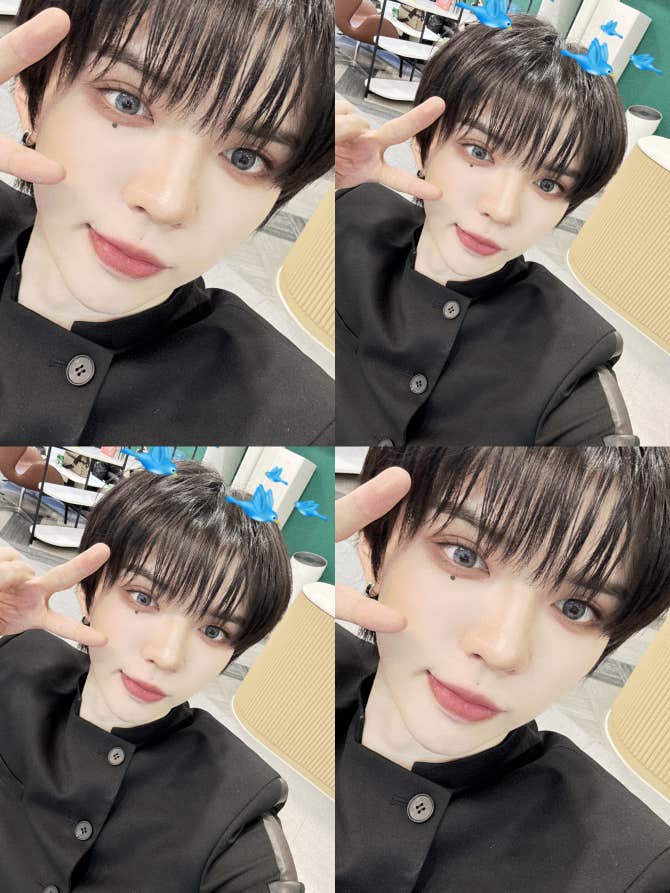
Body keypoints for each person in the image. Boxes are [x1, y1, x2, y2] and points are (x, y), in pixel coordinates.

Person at [335, 447, 670, 892]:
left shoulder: (631, 872)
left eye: (576, 608)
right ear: (373, 544)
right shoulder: (290, 684)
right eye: (464, 555)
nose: (502, 650)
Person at [0, 0, 334, 444]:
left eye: (245, 157)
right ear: (31, 94)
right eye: (127, 101)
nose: (166, 202)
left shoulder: (303, 422)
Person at [0, 461, 306, 892]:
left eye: (213, 631)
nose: (166, 656)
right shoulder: (12, 659)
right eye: (143, 598)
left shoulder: (238, 811)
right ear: (88, 590)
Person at [335, 15, 637, 447]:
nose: (501, 209)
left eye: (548, 184)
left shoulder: (573, 369)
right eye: (479, 151)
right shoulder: (349, 215)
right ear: (422, 143)